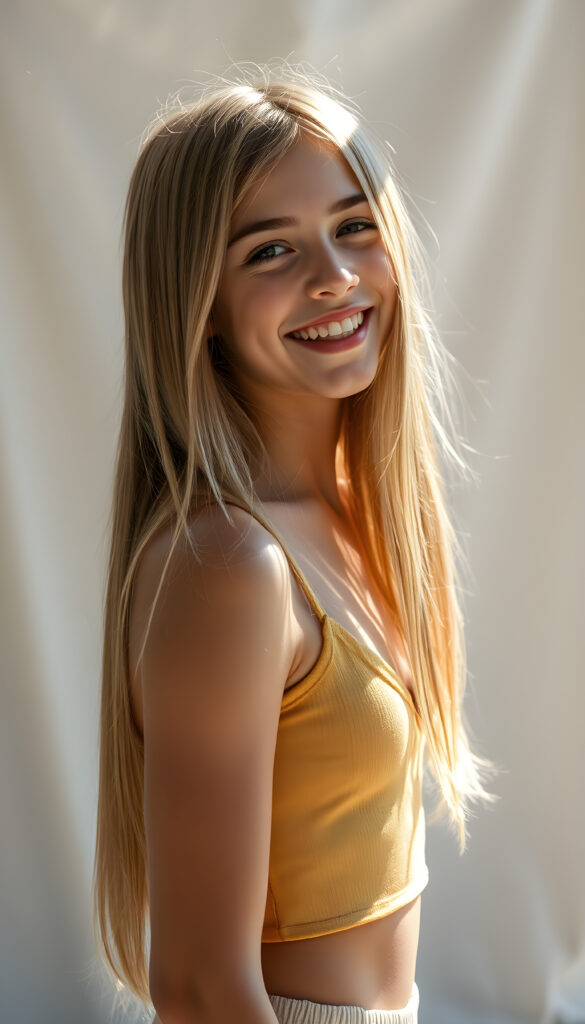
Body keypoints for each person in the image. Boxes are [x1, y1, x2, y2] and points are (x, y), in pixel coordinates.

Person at [93, 65, 493, 1024]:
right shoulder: (232, 568)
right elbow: (195, 986)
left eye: (355, 226)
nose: (335, 276)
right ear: (196, 305)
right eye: (269, 250)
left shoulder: (355, 516)